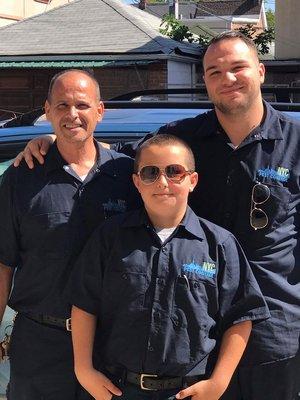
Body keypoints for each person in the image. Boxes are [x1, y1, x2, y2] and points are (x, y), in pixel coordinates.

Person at [14, 31, 300, 399]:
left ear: (261, 72)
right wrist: (58, 137)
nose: (226, 78)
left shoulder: (296, 144)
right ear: (204, 81)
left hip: (273, 339)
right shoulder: (181, 139)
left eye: (237, 67)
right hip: (192, 347)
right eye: (214, 71)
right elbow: (107, 157)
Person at [68, 134, 269, 400]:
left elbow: (241, 317)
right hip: (116, 389)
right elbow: (84, 304)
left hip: (189, 392)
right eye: (151, 173)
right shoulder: (110, 238)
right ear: (137, 182)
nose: (163, 182)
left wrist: (219, 382)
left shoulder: (219, 244)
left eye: (175, 172)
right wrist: (83, 369)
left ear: (192, 181)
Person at [0, 69, 140, 400]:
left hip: (111, 343)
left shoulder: (126, 174)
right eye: (62, 105)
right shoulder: (22, 177)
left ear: (100, 111)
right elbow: (3, 264)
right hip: (39, 344)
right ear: (47, 111)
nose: (72, 114)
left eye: (82, 105)